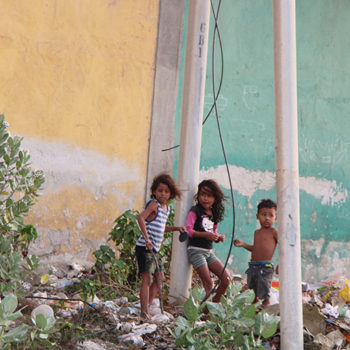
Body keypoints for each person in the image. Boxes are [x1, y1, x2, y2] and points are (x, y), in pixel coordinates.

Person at [136, 173, 184, 318]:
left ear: (171, 194)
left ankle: (148, 306)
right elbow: (141, 218)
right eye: (160, 191)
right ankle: (144, 311)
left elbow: (161, 227)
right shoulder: (154, 205)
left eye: (166, 191)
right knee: (147, 278)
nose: (163, 194)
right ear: (155, 191)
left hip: (155, 249)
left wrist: (176, 228)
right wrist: (147, 239)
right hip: (144, 247)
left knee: (160, 278)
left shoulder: (166, 209)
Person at [185, 179, 230, 303]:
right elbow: (189, 230)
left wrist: (218, 237)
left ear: (215, 198)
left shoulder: (214, 214)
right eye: (202, 195)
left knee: (226, 279)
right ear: (198, 196)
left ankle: (211, 308)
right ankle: (207, 312)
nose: (205, 198)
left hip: (209, 252)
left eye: (209, 196)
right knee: (208, 283)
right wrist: (206, 235)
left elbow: (213, 232)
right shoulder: (195, 211)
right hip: (196, 251)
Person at [234, 198, 278, 306]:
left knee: (264, 294)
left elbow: (283, 247)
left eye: (271, 215)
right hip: (253, 267)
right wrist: (243, 244)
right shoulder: (257, 232)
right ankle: (255, 314)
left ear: (275, 218)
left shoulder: (274, 232)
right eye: (264, 214)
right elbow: (256, 249)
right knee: (252, 293)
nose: (267, 218)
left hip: (265, 267)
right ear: (257, 216)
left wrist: (280, 263)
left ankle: (265, 314)